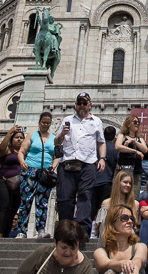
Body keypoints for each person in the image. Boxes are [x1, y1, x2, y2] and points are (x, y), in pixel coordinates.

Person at [56, 92, 106, 237]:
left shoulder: (96, 121)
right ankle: (65, 227)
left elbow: (101, 142)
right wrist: (61, 135)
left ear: (90, 105)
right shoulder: (67, 119)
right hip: (67, 162)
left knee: (85, 195)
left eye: (85, 103)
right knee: (65, 197)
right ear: (76, 105)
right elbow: (56, 142)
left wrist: (102, 158)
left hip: (87, 163)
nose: (82, 106)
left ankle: (83, 229)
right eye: (79, 103)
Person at [17, 112, 58, 238]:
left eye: (47, 122)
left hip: (45, 173)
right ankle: (22, 231)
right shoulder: (32, 135)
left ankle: (40, 230)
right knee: (26, 200)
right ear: (39, 122)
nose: (45, 124)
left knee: (42, 202)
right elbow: (21, 151)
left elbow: (56, 156)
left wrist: (54, 165)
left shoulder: (53, 138)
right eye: (43, 122)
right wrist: (22, 162)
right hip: (30, 170)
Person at [16, 219, 93, 274]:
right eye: (64, 247)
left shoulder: (85, 268)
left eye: (73, 248)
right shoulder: (44, 252)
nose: (68, 252)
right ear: (55, 243)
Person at [95, 204, 148, 274]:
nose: (130, 221)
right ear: (112, 222)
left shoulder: (140, 247)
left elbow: (138, 261)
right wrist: (122, 264)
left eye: (131, 218)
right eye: (124, 217)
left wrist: (131, 267)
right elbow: (105, 264)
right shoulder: (100, 252)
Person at [0, 125, 24, 238]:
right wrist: (9, 133)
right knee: (5, 207)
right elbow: (2, 148)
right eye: (16, 137)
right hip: (4, 181)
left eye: (21, 138)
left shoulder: (24, 154)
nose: (19, 139)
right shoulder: (8, 151)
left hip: (17, 186)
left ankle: (6, 235)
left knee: (12, 211)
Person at [96, 171, 140, 237]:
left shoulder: (135, 204)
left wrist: (135, 228)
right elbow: (101, 227)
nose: (128, 185)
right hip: (110, 236)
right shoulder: (107, 203)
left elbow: (139, 228)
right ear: (118, 183)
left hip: (129, 236)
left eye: (130, 183)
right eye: (125, 182)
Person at [116, 115, 148, 198]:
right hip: (124, 167)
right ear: (128, 124)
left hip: (136, 169)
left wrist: (134, 141)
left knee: (135, 193)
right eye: (134, 122)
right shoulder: (122, 136)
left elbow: (145, 150)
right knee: (122, 193)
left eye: (138, 122)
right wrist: (135, 151)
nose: (137, 124)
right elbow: (118, 147)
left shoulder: (139, 139)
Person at [93, 126, 119, 227]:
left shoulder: (96, 147)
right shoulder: (115, 148)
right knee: (104, 208)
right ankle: (102, 230)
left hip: (92, 180)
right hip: (106, 181)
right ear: (114, 137)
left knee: (91, 207)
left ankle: (90, 230)